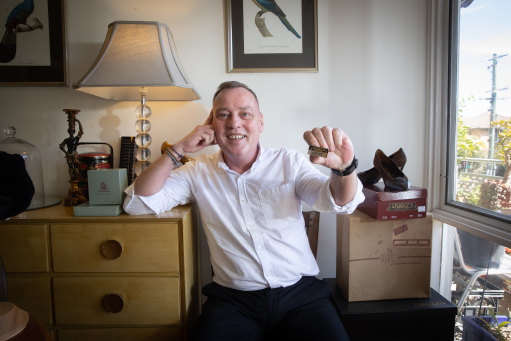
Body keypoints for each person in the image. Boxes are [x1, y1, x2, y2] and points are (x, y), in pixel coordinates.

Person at [123, 81, 365, 340]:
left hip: (301, 296)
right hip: (233, 302)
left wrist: (344, 169)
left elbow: (338, 201)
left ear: (260, 122)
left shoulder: (288, 162)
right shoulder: (196, 171)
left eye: (245, 114)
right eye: (223, 115)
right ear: (211, 125)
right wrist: (178, 149)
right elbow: (137, 203)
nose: (234, 123)